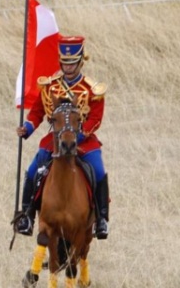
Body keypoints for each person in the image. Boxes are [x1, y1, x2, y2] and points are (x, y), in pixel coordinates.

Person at [14, 35, 110, 240]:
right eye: (64, 63)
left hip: (84, 139)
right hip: (55, 140)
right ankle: (27, 216)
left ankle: (101, 220)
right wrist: (27, 128)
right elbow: (37, 113)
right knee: (33, 170)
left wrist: (79, 136)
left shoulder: (91, 89)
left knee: (99, 171)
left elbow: (95, 118)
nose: (68, 67)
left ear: (81, 61)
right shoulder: (49, 86)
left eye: (72, 63)